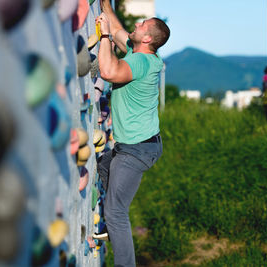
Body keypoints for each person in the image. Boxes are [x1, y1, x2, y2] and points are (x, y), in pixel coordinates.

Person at [93, 1, 170, 266]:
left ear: (147, 38)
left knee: (116, 212)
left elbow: (109, 71)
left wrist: (102, 36)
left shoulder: (140, 62)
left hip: (137, 149)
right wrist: (105, 5)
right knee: (103, 164)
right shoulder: (140, 53)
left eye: (142, 25)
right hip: (137, 146)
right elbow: (117, 29)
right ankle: (115, 231)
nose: (136, 25)